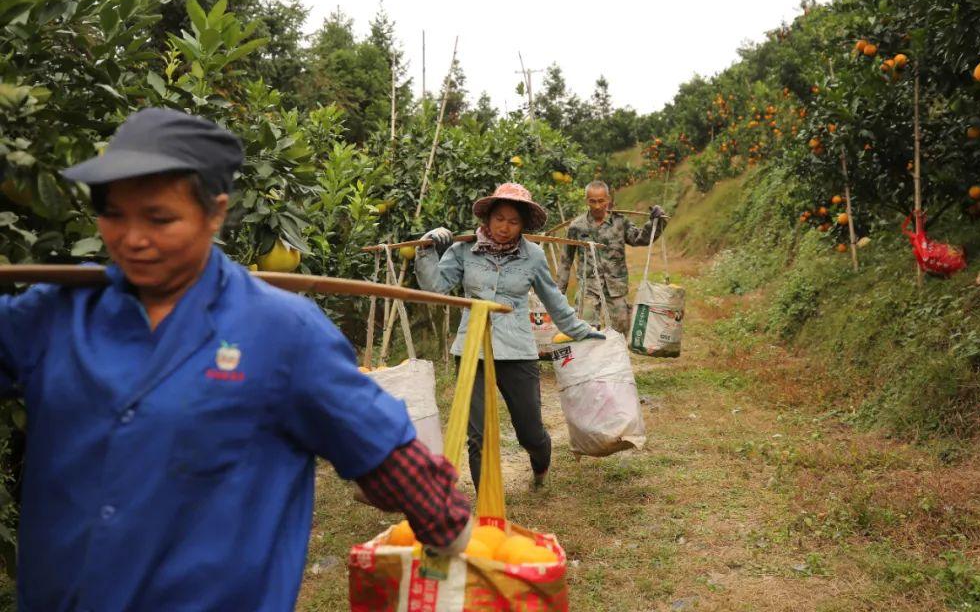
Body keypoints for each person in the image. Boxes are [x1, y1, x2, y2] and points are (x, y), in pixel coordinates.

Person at [0, 108, 471, 611]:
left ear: (215, 212)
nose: (132, 238)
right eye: (115, 214)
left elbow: (384, 453)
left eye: (160, 218)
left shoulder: (280, 334)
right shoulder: (56, 316)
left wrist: (447, 528)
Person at [416, 182, 603, 491]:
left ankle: (540, 464)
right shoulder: (464, 249)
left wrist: (580, 330)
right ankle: (487, 507)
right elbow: (436, 288)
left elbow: (553, 300)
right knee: (478, 435)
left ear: (523, 225)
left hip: (517, 350)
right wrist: (426, 248)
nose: (505, 227)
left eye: (513, 221)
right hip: (472, 348)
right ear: (487, 218)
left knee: (529, 431)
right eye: (499, 218)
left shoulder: (533, 256)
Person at [556, 180, 666, 335]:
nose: (597, 206)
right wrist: (558, 293)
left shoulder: (620, 222)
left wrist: (656, 222)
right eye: (592, 201)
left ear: (608, 199)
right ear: (586, 200)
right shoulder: (576, 226)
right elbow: (565, 261)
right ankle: (591, 358)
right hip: (589, 286)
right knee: (585, 328)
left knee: (621, 330)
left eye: (601, 201)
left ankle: (616, 358)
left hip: (615, 285)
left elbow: (640, 238)